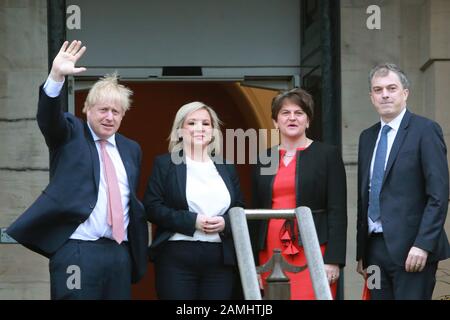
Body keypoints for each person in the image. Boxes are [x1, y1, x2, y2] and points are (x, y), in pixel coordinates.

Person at [7, 40, 148, 299]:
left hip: (119, 253)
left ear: (123, 115)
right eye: (103, 109)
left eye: (116, 112)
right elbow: (48, 118)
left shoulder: (131, 149)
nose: (109, 117)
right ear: (87, 109)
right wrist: (56, 76)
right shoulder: (71, 133)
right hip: (77, 250)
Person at [356, 63, 450, 300]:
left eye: (391, 88)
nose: (385, 94)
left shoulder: (425, 130)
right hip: (374, 249)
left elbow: (438, 194)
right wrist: (362, 253)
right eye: (378, 90)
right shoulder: (367, 137)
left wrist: (423, 244)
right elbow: (364, 197)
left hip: (413, 249)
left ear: (405, 93)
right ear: (371, 97)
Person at [249, 88, 347, 300]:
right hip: (271, 250)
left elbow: (338, 211)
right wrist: (254, 264)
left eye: (299, 113)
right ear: (275, 121)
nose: (292, 118)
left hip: (314, 247)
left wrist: (334, 259)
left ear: (308, 121)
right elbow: (255, 213)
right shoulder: (265, 158)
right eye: (285, 113)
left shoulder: (327, 155)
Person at [143, 101, 245, 300]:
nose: (200, 128)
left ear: (213, 131)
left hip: (220, 258)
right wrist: (192, 221)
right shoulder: (165, 164)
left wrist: (225, 222)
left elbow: (239, 208)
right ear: (180, 130)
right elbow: (152, 207)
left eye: (206, 124)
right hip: (177, 255)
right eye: (192, 123)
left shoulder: (226, 167)